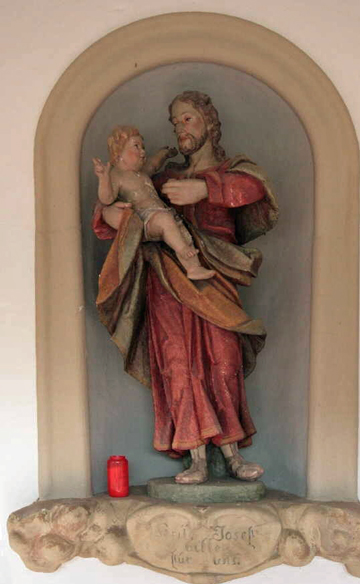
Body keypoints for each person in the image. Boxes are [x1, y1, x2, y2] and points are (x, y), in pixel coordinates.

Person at [92, 90, 279, 484]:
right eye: (175, 122)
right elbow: (119, 208)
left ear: (209, 122)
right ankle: (196, 458)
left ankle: (233, 456)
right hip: (166, 279)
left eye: (188, 118)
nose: (180, 128)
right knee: (178, 363)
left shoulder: (232, 169)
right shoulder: (161, 179)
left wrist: (207, 189)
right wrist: (110, 213)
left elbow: (257, 188)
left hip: (214, 273)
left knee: (223, 360)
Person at [93, 126, 215, 280]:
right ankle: (183, 250)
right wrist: (103, 178)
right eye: (136, 146)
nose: (143, 151)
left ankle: (193, 268)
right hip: (145, 220)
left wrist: (164, 154)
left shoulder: (141, 172)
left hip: (161, 213)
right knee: (167, 223)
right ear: (119, 153)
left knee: (182, 233)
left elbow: (154, 164)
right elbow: (107, 199)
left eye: (142, 147)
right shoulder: (117, 175)